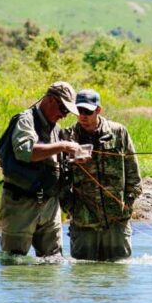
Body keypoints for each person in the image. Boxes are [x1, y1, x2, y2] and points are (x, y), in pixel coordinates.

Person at [0, 81, 83, 257]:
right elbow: (25, 151)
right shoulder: (25, 120)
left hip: (50, 206)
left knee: (53, 261)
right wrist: (63, 145)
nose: (64, 115)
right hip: (21, 204)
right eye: (63, 109)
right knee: (14, 262)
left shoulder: (56, 129)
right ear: (51, 100)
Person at [60, 88, 142, 261]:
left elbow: (133, 175)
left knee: (118, 272)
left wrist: (127, 205)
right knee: (83, 273)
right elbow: (59, 177)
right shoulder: (67, 136)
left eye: (87, 111)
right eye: (79, 111)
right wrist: (71, 208)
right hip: (83, 222)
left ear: (98, 110)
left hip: (116, 221)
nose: (83, 116)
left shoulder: (118, 132)